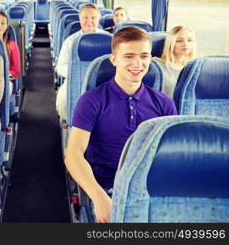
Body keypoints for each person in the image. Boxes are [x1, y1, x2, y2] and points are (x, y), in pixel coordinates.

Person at [64, 26, 177, 223]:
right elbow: (73, 155)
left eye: (144, 56)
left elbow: (171, 157)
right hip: (108, 188)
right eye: (129, 56)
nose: (138, 63)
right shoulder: (91, 101)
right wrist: (99, 198)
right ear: (114, 59)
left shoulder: (164, 103)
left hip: (151, 189)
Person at [55, 3, 106, 119]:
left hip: (104, 82)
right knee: (63, 102)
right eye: (85, 17)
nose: (89, 21)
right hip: (75, 81)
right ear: (80, 19)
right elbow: (60, 67)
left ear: (98, 19)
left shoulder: (109, 39)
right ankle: (69, 127)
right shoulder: (71, 41)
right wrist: (79, 72)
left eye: (93, 18)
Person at [153, 25, 196, 98]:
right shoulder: (155, 65)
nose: (185, 44)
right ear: (170, 43)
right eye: (179, 41)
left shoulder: (194, 67)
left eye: (189, 40)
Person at [0, 11, 20, 82]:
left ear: (6, 26)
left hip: (6, 81)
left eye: (3, 23)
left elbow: (15, 71)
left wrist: (0, 79)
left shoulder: (12, 45)